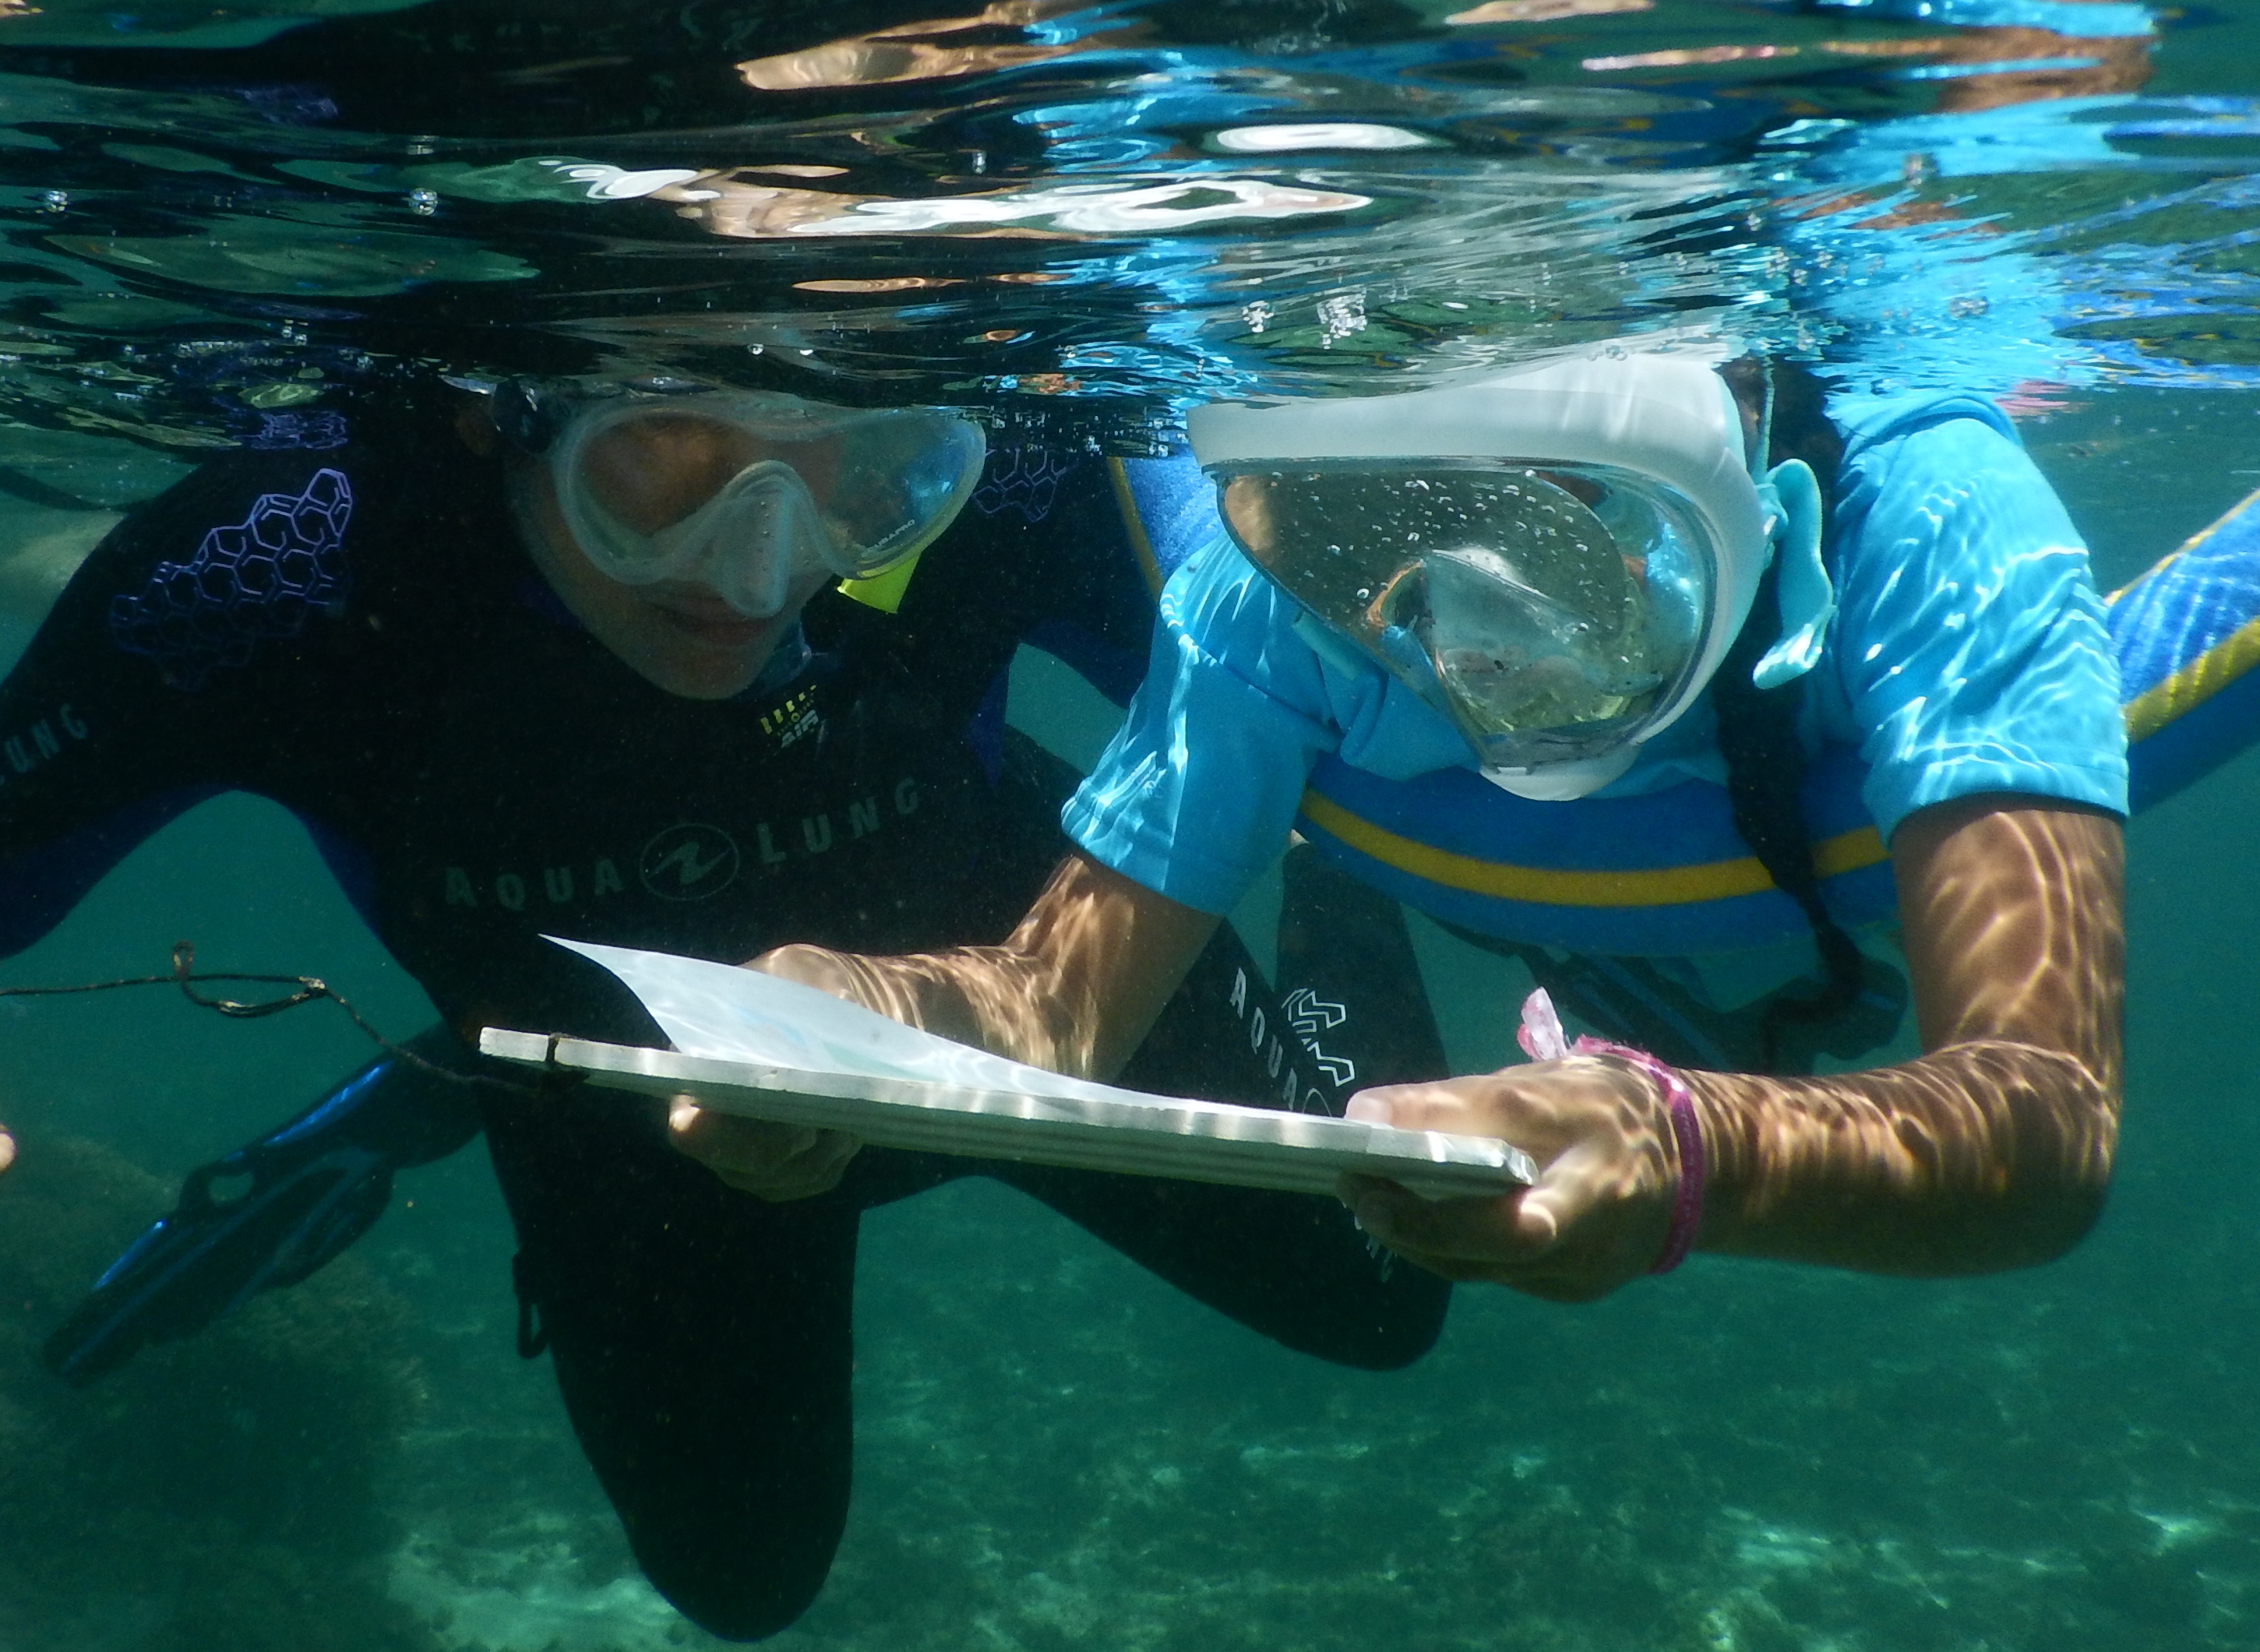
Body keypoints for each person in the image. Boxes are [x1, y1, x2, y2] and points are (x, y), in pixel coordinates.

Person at [0, 358, 1454, 1639]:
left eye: (868, 478)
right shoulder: (280, 558)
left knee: (1384, 1291)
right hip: (626, 1088)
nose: (756, 575)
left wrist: (1367, 804)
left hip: (1029, 960)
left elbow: (1281, 657)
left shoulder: (1010, 462)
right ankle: (439, 1079)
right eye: (668, 467)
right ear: (492, 411)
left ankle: (1347, 885)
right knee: (741, 1573)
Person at [707, 346, 2128, 1302]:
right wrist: (852, 1014)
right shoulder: (1271, 603)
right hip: (1552, 920)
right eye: (1351, 550)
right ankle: (1343, 870)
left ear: (1733, 442)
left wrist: (1700, 1148)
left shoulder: (1932, 521)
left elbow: (2048, 1110)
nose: (1461, 658)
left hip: (1749, 967)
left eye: (1549, 564)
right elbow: (1052, 1002)